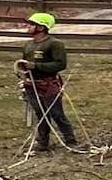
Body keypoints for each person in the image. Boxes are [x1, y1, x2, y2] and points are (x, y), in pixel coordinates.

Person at [17, 11, 78, 151]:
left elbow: (60, 64)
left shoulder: (54, 44)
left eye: (32, 24)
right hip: (32, 84)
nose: (28, 26)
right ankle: (43, 142)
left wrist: (36, 66)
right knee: (40, 113)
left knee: (56, 113)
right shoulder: (28, 46)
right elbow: (25, 63)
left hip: (49, 84)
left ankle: (71, 141)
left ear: (41, 27)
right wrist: (23, 70)